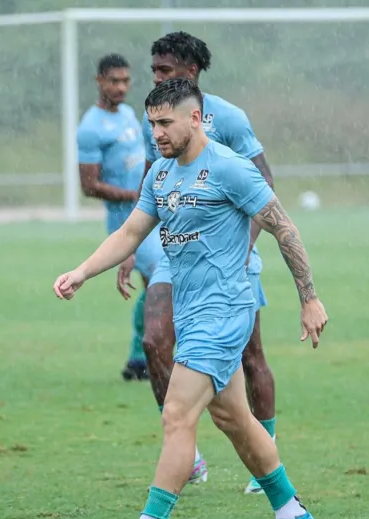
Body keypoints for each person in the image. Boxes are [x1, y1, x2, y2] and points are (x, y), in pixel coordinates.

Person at [54, 78, 327, 519]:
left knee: (177, 415)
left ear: (195, 119)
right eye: (151, 122)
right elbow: (131, 233)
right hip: (192, 311)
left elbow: (284, 226)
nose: (155, 132)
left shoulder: (228, 167)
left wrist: (309, 298)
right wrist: (81, 271)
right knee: (235, 419)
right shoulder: (160, 175)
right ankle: (291, 514)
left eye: (165, 122)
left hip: (224, 313)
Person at [117, 31, 276, 492]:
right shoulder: (160, 120)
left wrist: (242, 249)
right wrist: (131, 248)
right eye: (155, 70)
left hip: (230, 257)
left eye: (165, 70)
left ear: (191, 71)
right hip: (174, 252)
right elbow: (153, 183)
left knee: (251, 358)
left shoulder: (227, 118)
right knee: (153, 339)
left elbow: (265, 188)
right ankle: (185, 450)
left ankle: (266, 454)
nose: (157, 77)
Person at [77, 54, 164, 382]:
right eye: (114, 81)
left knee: (157, 282)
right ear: (100, 81)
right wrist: (137, 195)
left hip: (148, 216)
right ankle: (143, 352)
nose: (121, 87)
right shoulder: (90, 129)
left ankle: (141, 356)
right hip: (124, 222)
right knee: (161, 278)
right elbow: (88, 185)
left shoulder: (130, 114)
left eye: (126, 81)